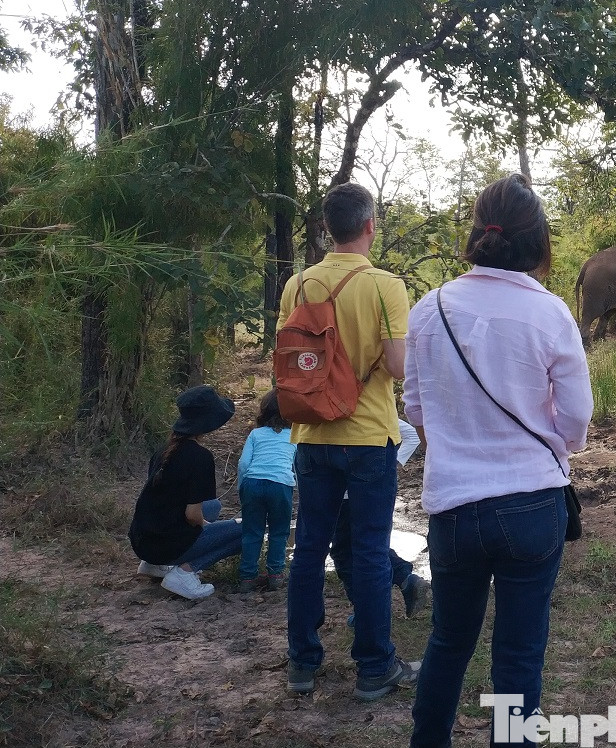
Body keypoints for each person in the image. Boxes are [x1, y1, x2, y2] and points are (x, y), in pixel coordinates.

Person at [403, 173, 593, 747]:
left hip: (452, 508)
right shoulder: (552, 314)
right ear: (539, 242)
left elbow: (415, 407)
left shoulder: (428, 309)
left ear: (477, 234)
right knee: (518, 652)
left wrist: (461, 439)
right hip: (533, 505)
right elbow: (577, 419)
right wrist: (553, 443)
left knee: (448, 639)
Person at [278, 181, 420, 701]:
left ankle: (302, 661)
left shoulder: (298, 286)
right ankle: (374, 667)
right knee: (367, 550)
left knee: (309, 547)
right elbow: (401, 368)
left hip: (311, 433)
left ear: (325, 228)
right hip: (367, 437)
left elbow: (290, 357)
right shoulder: (385, 285)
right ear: (369, 226)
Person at [128, 385, 243, 601]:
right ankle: (186, 571)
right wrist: (206, 527)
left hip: (143, 540)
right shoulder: (200, 458)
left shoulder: (164, 449)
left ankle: (154, 565)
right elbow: (192, 516)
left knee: (213, 507)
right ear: (209, 423)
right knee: (247, 530)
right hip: (165, 544)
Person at [332, 417, 429, 626]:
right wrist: (392, 464)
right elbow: (412, 435)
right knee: (371, 546)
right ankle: (404, 580)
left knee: (344, 552)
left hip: (343, 493)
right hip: (375, 488)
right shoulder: (377, 408)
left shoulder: (340, 408)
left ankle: (365, 613)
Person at [236, 389, 295, 593]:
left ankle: (247, 578)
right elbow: (298, 466)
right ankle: (276, 575)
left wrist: (241, 487)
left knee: (252, 531)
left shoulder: (255, 434)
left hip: (253, 482)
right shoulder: (294, 435)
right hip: (281, 485)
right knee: (279, 531)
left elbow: (243, 464)